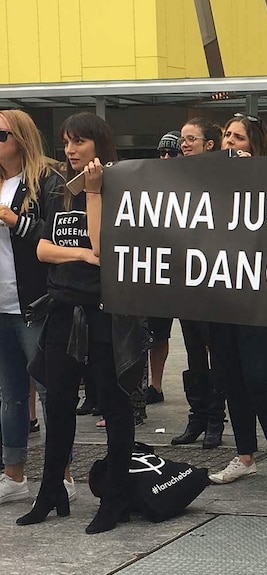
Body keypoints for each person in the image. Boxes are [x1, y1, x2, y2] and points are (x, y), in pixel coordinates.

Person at [19, 112, 147, 534]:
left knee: (113, 403)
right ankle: (51, 489)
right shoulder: (58, 190)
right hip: (62, 307)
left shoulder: (118, 187)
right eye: (67, 143)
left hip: (106, 312)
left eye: (79, 143)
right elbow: (41, 249)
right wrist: (75, 255)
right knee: (57, 403)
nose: (71, 151)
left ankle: (116, 497)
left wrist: (94, 194)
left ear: (99, 145)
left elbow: (103, 245)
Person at [206, 113, 267, 494]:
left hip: (260, 294)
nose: (230, 142)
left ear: (255, 146)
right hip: (219, 294)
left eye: (239, 138)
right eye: (226, 135)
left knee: (260, 377)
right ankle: (245, 455)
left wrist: (257, 176)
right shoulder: (209, 186)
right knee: (231, 377)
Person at [0, 110, 64, 505]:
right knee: (10, 394)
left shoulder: (45, 181)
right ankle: (14, 475)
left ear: (21, 137)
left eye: (0, 134)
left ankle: (63, 473)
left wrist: (15, 222)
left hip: (33, 301)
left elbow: (59, 232)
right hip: (1, 301)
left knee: (49, 389)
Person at [171, 117, 226, 449]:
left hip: (215, 281)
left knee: (215, 352)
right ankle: (198, 416)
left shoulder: (225, 178)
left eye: (191, 138)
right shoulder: (174, 178)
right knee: (193, 353)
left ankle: (216, 420)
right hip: (184, 279)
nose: (184, 144)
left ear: (209, 145)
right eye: (182, 139)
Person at [144, 130, 182, 406]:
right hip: (158, 266)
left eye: (172, 152)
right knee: (156, 331)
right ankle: (154, 386)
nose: (166, 157)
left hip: (188, 264)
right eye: (162, 152)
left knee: (200, 337)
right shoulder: (150, 181)